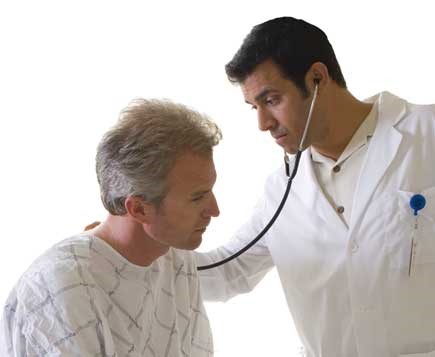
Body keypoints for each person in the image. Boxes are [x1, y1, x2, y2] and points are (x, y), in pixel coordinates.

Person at [196, 16, 435, 357]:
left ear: (317, 78)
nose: (263, 124)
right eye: (254, 107)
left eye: (271, 100)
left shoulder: (427, 135)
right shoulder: (281, 190)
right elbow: (227, 271)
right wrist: (128, 249)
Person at [0, 99, 221, 356]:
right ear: (138, 209)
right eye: (197, 197)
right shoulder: (63, 287)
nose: (215, 210)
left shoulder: (174, 258)